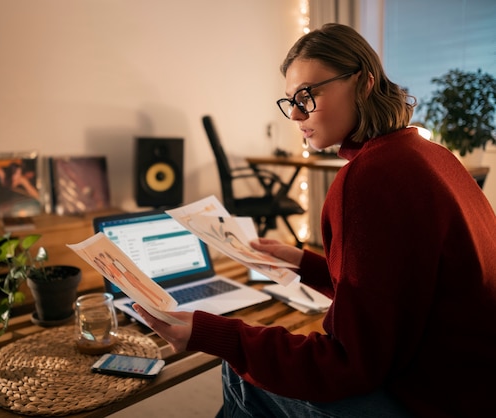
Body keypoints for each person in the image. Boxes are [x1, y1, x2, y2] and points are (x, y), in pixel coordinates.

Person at [134, 23, 496, 417]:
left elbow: (348, 364)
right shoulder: (430, 154)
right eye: (290, 100)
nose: (295, 113)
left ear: (364, 83)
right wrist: (304, 263)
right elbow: (395, 292)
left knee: (239, 368)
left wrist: (213, 334)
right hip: (473, 387)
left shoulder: (369, 177)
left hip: (433, 401)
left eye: (308, 95)